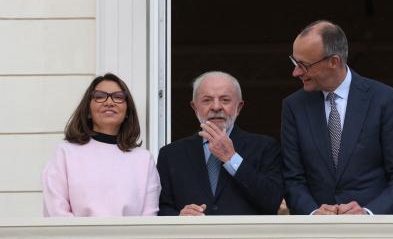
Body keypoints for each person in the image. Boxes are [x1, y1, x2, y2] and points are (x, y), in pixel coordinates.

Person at [281, 20, 393, 215]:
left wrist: (368, 213)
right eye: (294, 62)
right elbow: (293, 179)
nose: (296, 72)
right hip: (316, 233)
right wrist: (313, 213)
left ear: (334, 61)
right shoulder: (294, 106)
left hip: (374, 231)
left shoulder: (386, 100)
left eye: (303, 65)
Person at [157, 71, 283, 215]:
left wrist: (232, 158)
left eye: (225, 100)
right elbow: (160, 208)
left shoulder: (265, 147)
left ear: (239, 107)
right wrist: (179, 216)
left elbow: (274, 201)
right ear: (194, 107)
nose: (216, 107)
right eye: (207, 100)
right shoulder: (171, 154)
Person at [42, 73, 160, 216]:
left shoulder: (144, 159)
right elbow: (56, 212)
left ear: (127, 111)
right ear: (88, 110)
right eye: (99, 96)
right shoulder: (65, 153)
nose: (109, 102)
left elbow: (149, 219)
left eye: (118, 97)